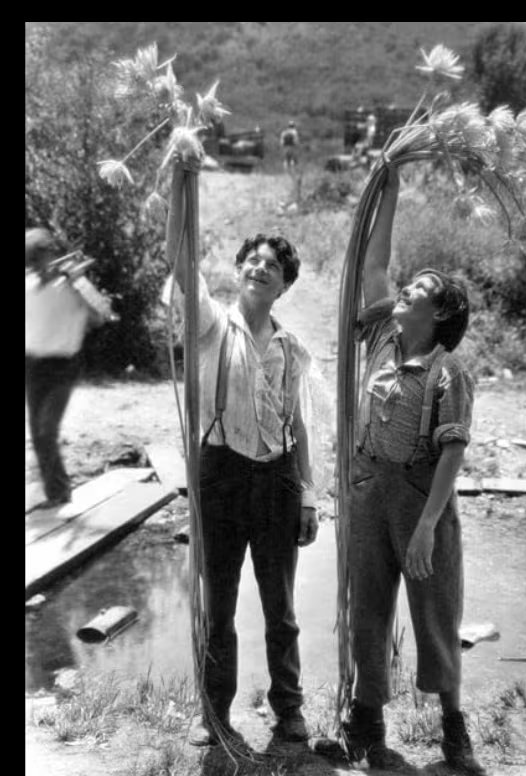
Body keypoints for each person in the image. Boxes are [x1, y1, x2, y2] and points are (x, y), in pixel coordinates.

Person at [165, 158, 319, 747]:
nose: (260, 268)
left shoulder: (291, 347)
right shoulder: (209, 324)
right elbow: (181, 256)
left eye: (273, 266)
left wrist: (307, 497)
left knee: (279, 609)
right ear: (238, 272)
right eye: (252, 260)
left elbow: (299, 425)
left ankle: (289, 710)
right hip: (220, 475)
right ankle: (214, 712)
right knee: (218, 603)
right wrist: (184, 181)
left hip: (278, 479)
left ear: (284, 284)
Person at [341, 165, 485, 774]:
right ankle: (367, 721)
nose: (402, 290)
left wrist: (428, 525)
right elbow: (375, 266)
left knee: (435, 608)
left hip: (423, 499)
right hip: (371, 489)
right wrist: (388, 191)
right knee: (367, 606)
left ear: (440, 311)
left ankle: (454, 729)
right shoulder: (382, 340)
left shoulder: (449, 371)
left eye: (417, 288)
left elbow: (453, 451)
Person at [25, 228, 112, 508]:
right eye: (31, 258)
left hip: (63, 366)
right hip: (33, 365)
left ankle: (60, 492)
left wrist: (77, 282)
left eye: (40, 255)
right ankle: (56, 493)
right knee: (37, 433)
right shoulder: (27, 285)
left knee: (46, 430)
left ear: (51, 253)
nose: (37, 263)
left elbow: (101, 316)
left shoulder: (74, 285)